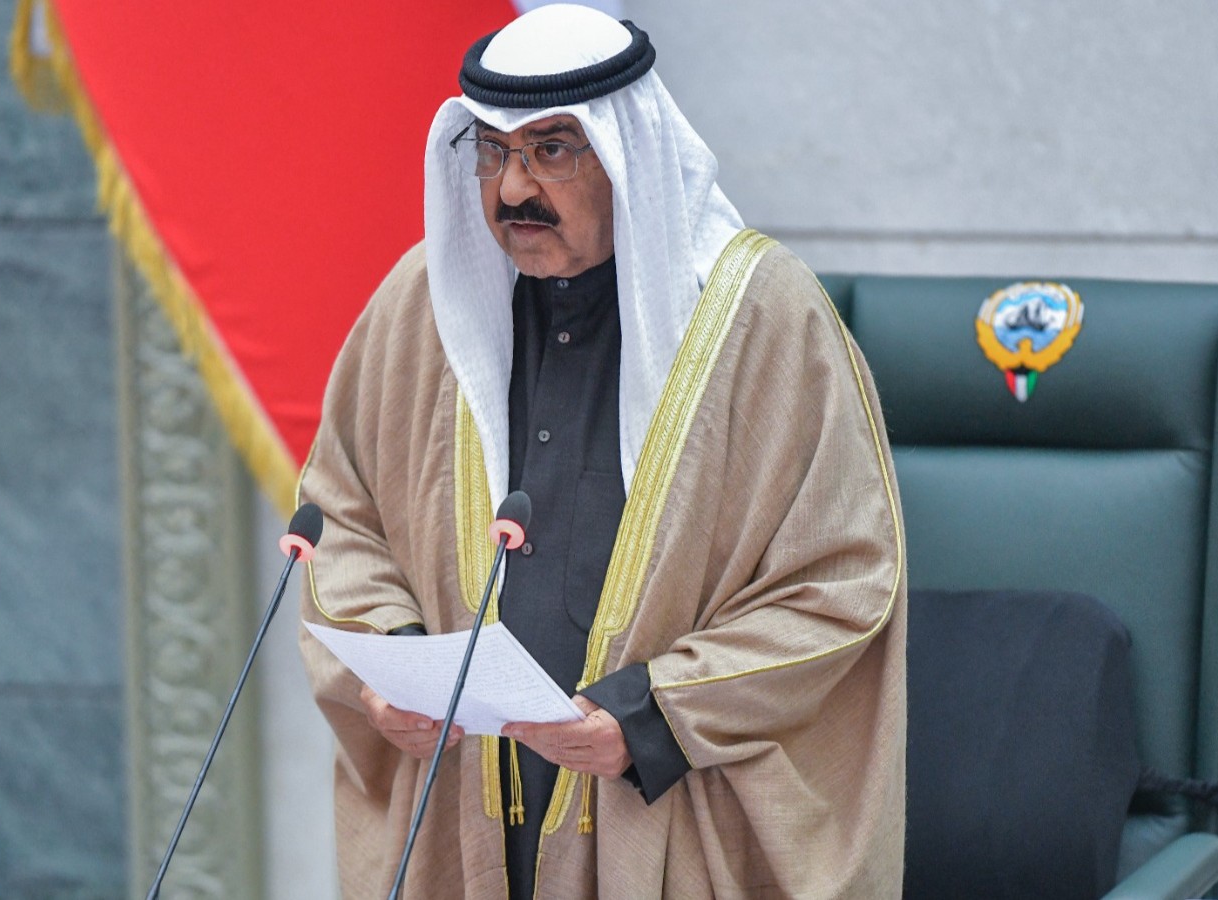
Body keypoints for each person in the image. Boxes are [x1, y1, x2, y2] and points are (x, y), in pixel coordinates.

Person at [296, 5, 906, 898]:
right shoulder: (419, 309)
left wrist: (650, 716)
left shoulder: (762, 320)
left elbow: (842, 583)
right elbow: (337, 520)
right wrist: (394, 659)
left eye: (552, 150)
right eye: (494, 151)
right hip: (462, 806)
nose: (513, 188)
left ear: (628, 155)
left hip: (668, 813)